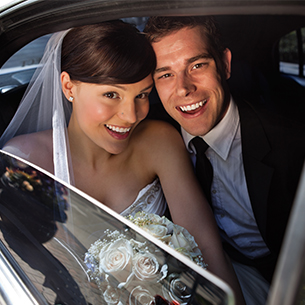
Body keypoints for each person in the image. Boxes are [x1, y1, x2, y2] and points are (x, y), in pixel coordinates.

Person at [0, 21, 245, 304]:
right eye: (111, 95)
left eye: (142, 95)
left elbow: (208, 254)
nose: (131, 115)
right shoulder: (22, 163)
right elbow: (32, 275)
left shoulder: (159, 142)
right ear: (69, 86)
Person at [144, 15, 305, 304]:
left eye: (197, 65)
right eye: (165, 74)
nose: (183, 88)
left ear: (226, 64)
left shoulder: (291, 145)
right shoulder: (149, 136)